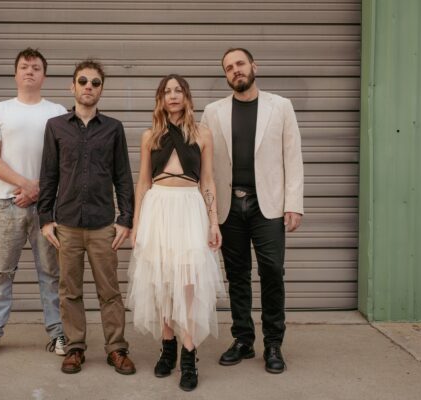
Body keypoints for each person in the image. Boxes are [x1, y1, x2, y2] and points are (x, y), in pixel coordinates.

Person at [201, 48, 304, 374]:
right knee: (237, 275)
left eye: (240, 64)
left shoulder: (281, 106)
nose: (236, 70)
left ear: (253, 67)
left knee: (272, 272)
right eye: (229, 67)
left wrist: (293, 203)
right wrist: (207, 210)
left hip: (268, 205)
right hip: (229, 205)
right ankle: (243, 340)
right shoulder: (213, 112)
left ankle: (273, 344)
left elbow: (293, 157)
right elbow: (204, 165)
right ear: (226, 75)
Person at [38, 60, 136, 376]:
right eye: (83, 81)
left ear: (101, 90)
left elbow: (123, 177)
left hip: (103, 225)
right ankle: (75, 348)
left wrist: (126, 219)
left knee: (110, 291)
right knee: (70, 291)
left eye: (95, 82)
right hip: (66, 225)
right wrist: (45, 218)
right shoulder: (56, 127)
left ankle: (116, 348)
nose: (88, 87)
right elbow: (49, 175)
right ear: (73, 86)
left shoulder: (113, 128)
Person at [127, 74, 225, 391]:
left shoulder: (202, 133)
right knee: (162, 280)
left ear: (186, 97)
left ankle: (189, 354)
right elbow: (143, 181)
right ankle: (167, 346)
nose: (173, 95)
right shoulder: (150, 136)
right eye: (167, 91)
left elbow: (207, 180)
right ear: (160, 98)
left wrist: (213, 221)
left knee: (187, 282)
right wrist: (136, 224)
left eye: (178, 90)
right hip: (157, 207)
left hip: (189, 207)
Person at [0, 48, 67, 359]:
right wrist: (25, 184)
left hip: (47, 208)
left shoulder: (57, 112)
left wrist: (39, 189)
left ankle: (58, 334)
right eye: (24, 67)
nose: (30, 71)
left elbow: (66, 160)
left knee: (51, 274)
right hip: (8, 204)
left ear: (44, 75)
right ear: (15, 74)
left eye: (36, 67)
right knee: (1, 273)